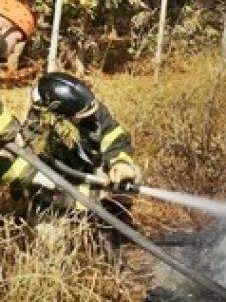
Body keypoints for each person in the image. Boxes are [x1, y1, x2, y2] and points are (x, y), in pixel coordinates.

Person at [0, 72, 142, 211]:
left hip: (88, 175)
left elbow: (113, 135)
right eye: (78, 119)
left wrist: (121, 163)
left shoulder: (87, 108)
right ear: (58, 118)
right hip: (57, 194)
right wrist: (97, 199)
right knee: (49, 224)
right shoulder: (37, 140)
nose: (89, 119)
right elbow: (49, 191)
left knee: (131, 179)